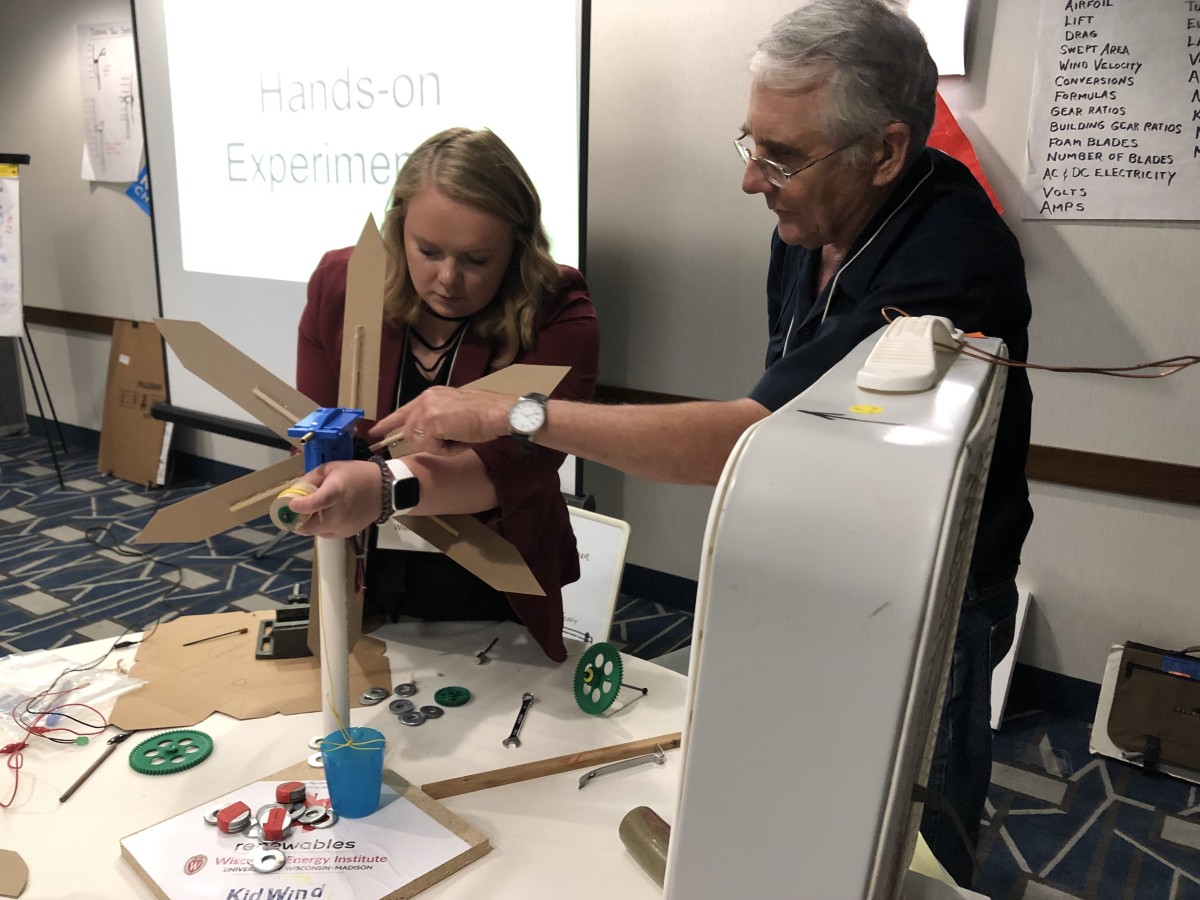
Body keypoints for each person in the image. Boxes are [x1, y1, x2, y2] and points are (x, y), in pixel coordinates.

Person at [366, 1, 1033, 887]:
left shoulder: (950, 262)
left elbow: (745, 438)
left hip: (927, 601)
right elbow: (785, 411)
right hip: (823, 559)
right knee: (809, 794)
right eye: (749, 142)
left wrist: (513, 413)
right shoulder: (811, 226)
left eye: (783, 158)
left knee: (913, 840)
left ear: (886, 151)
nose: (752, 180)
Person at [288, 126, 599, 663]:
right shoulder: (344, 284)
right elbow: (313, 424)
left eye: (477, 259)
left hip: (496, 571)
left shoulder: (556, 310)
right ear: (398, 227)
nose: (448, 279)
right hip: (362, 564)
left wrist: (384, 486)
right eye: (427, 251)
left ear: (518, 247)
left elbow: (512, 464)